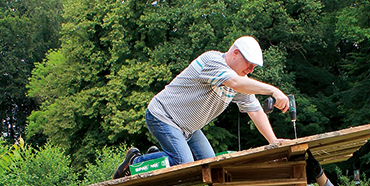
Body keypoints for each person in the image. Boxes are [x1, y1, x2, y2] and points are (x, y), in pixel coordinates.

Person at [113, 36, 290, 175]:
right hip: (163, 116)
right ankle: (136, 161)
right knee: (184, 163)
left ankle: (159, 157)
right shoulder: (212, 61)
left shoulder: (242, 82)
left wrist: (273, 141)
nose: (251, 69)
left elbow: (256, 110)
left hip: (188, 128)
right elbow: (234, 83)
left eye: (254, 66)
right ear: (235, 53)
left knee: (210, 165)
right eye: (249, 64)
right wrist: (273, 90)